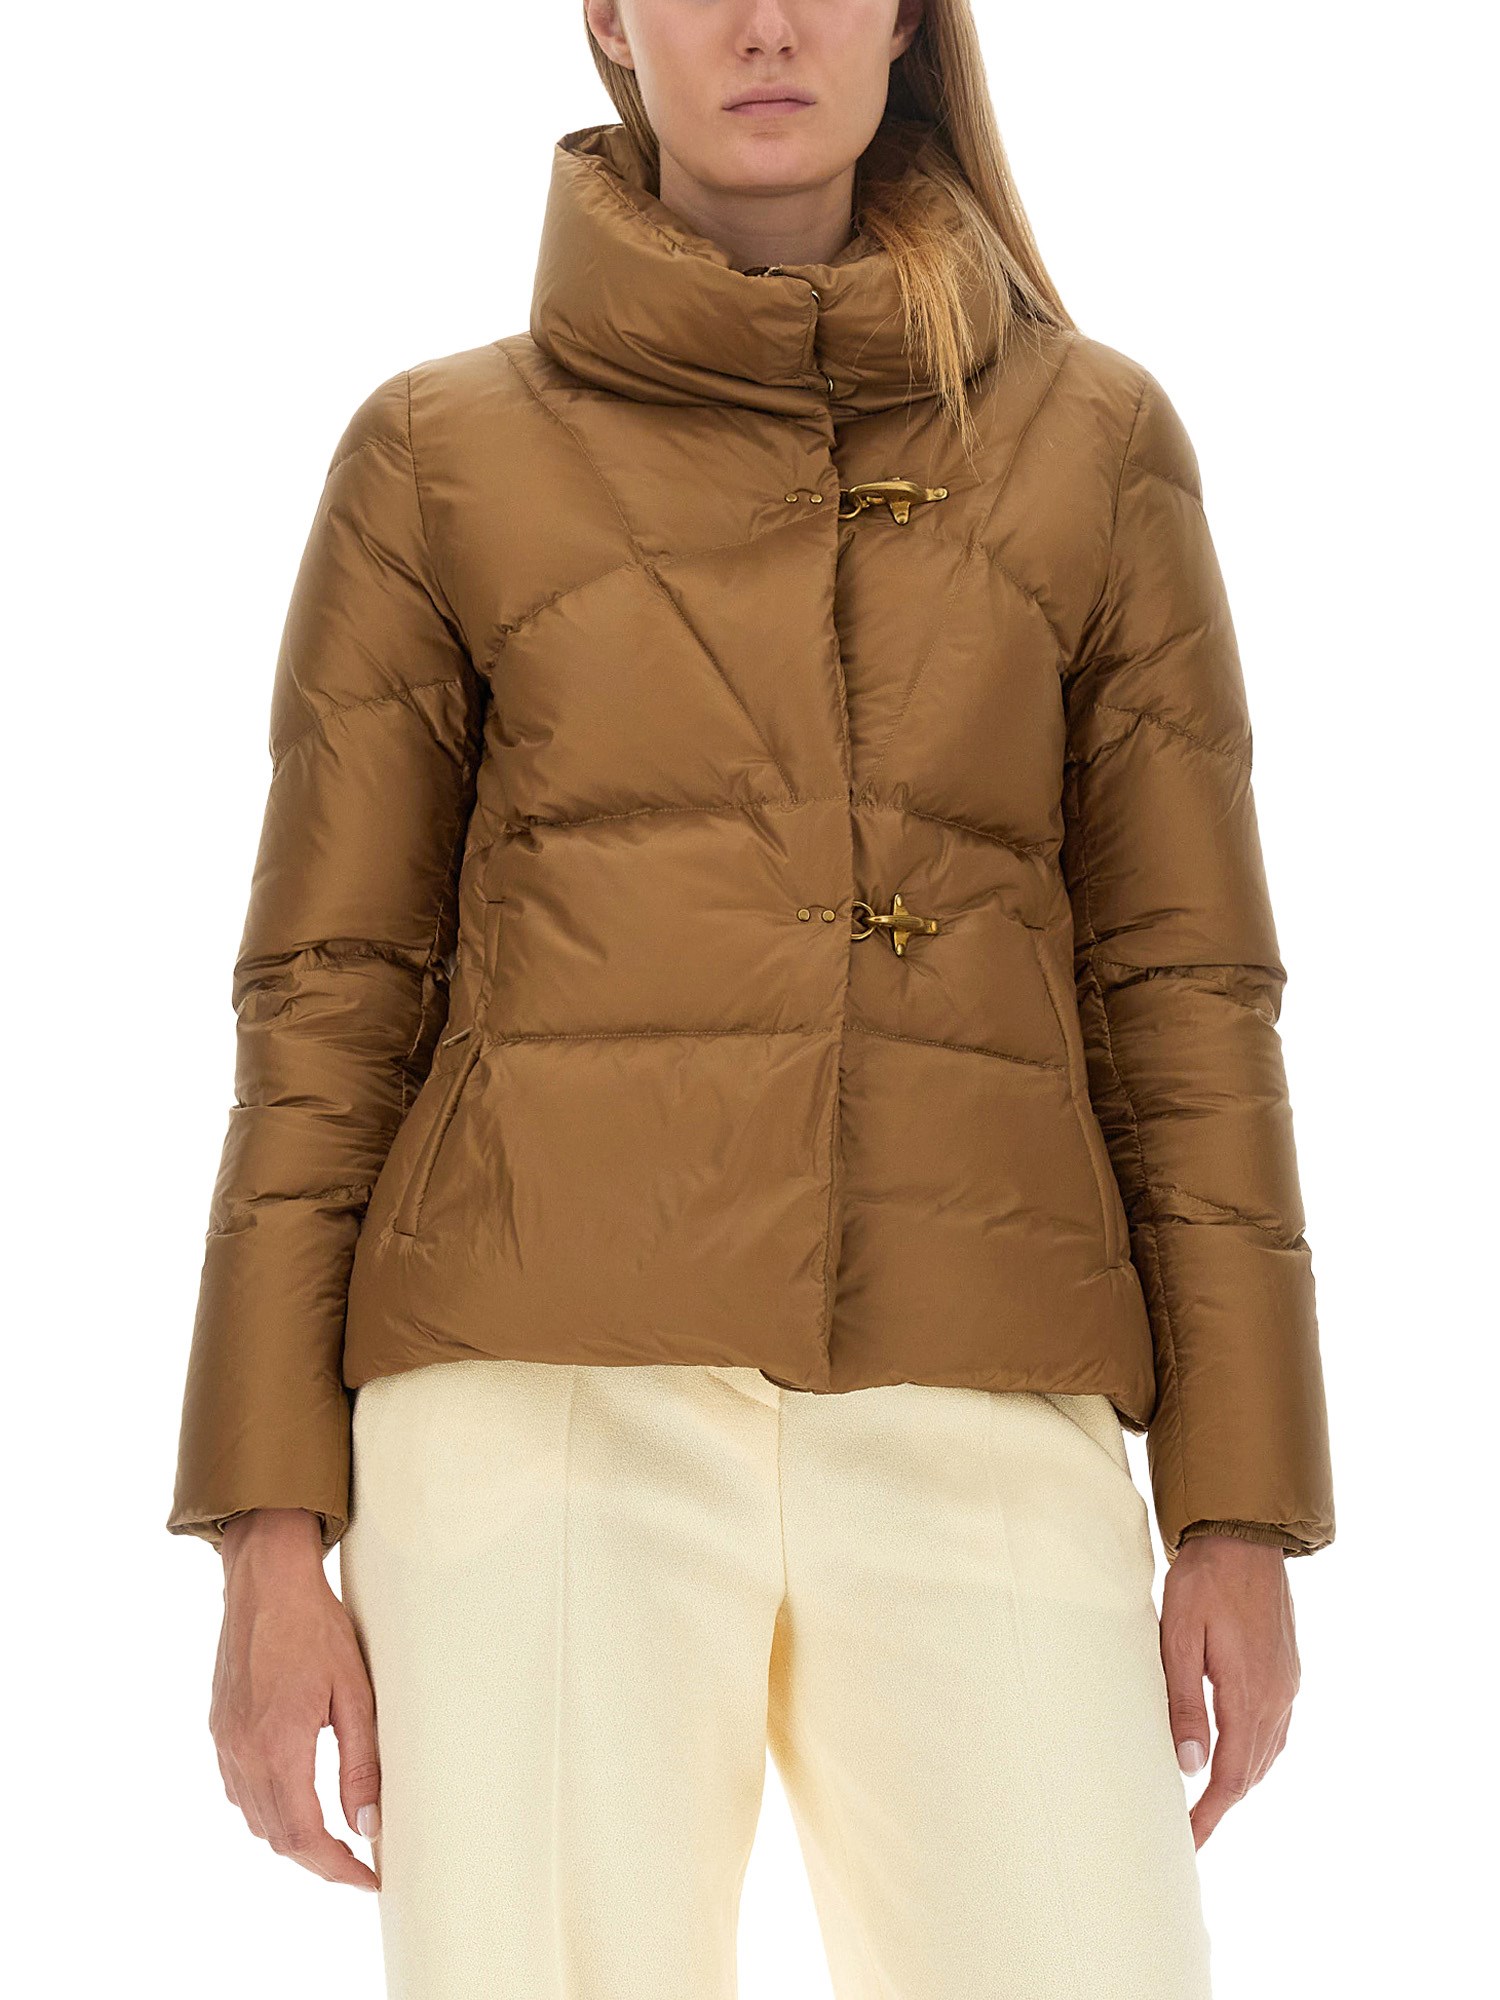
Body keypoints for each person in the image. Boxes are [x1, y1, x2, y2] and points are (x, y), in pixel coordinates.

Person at [168, 3, 1336, 1994]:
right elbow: (326, 1004)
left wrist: (1240, 1508)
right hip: (532, 1403)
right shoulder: (437, 457)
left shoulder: (1096, 444)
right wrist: (267, 1531)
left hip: (985, 1378)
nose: (770, 21)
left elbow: (1188, 992)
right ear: (611, 20)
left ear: (904, 17)